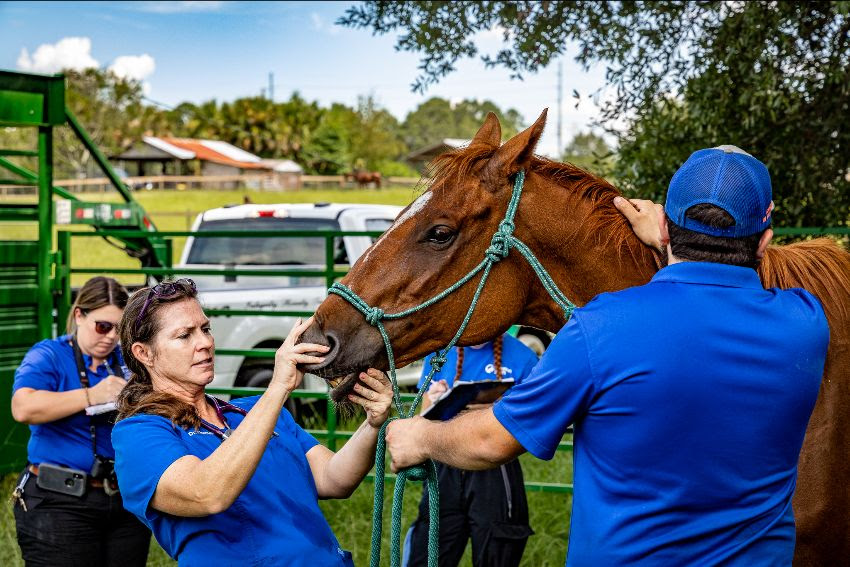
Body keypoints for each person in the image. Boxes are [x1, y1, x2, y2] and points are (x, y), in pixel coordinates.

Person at [385, 146, 830, 565]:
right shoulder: (806, 324)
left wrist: (420, 437)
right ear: (766, 238)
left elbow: (491, 441)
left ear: (665, 229)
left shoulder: (601, 327)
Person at [110, 278, 393, 566]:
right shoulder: (138, 435)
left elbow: (335, 480)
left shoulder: (254, 410)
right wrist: (278, 388)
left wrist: (372, 423)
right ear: (144, 353)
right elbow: (206, 494)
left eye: (205, 329)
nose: (205, 342)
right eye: (185, 335)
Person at [10, 276, 151, 566]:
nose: (111, 336)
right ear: (78, 315)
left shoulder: (125, 359)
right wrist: (91, 395)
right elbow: (23, 408)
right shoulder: (49, 354)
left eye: (119, 329)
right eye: (102, 326)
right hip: (59, 501)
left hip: (123, 499)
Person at [404, 333, 538, 567]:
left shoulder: (522, 356)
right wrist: (436, 402)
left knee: (497, 550)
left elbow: (535, 422)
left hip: (495, 464)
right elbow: (423, 419)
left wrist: (496, 412)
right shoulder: (440, 352)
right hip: (446, 461)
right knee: (429, 551)